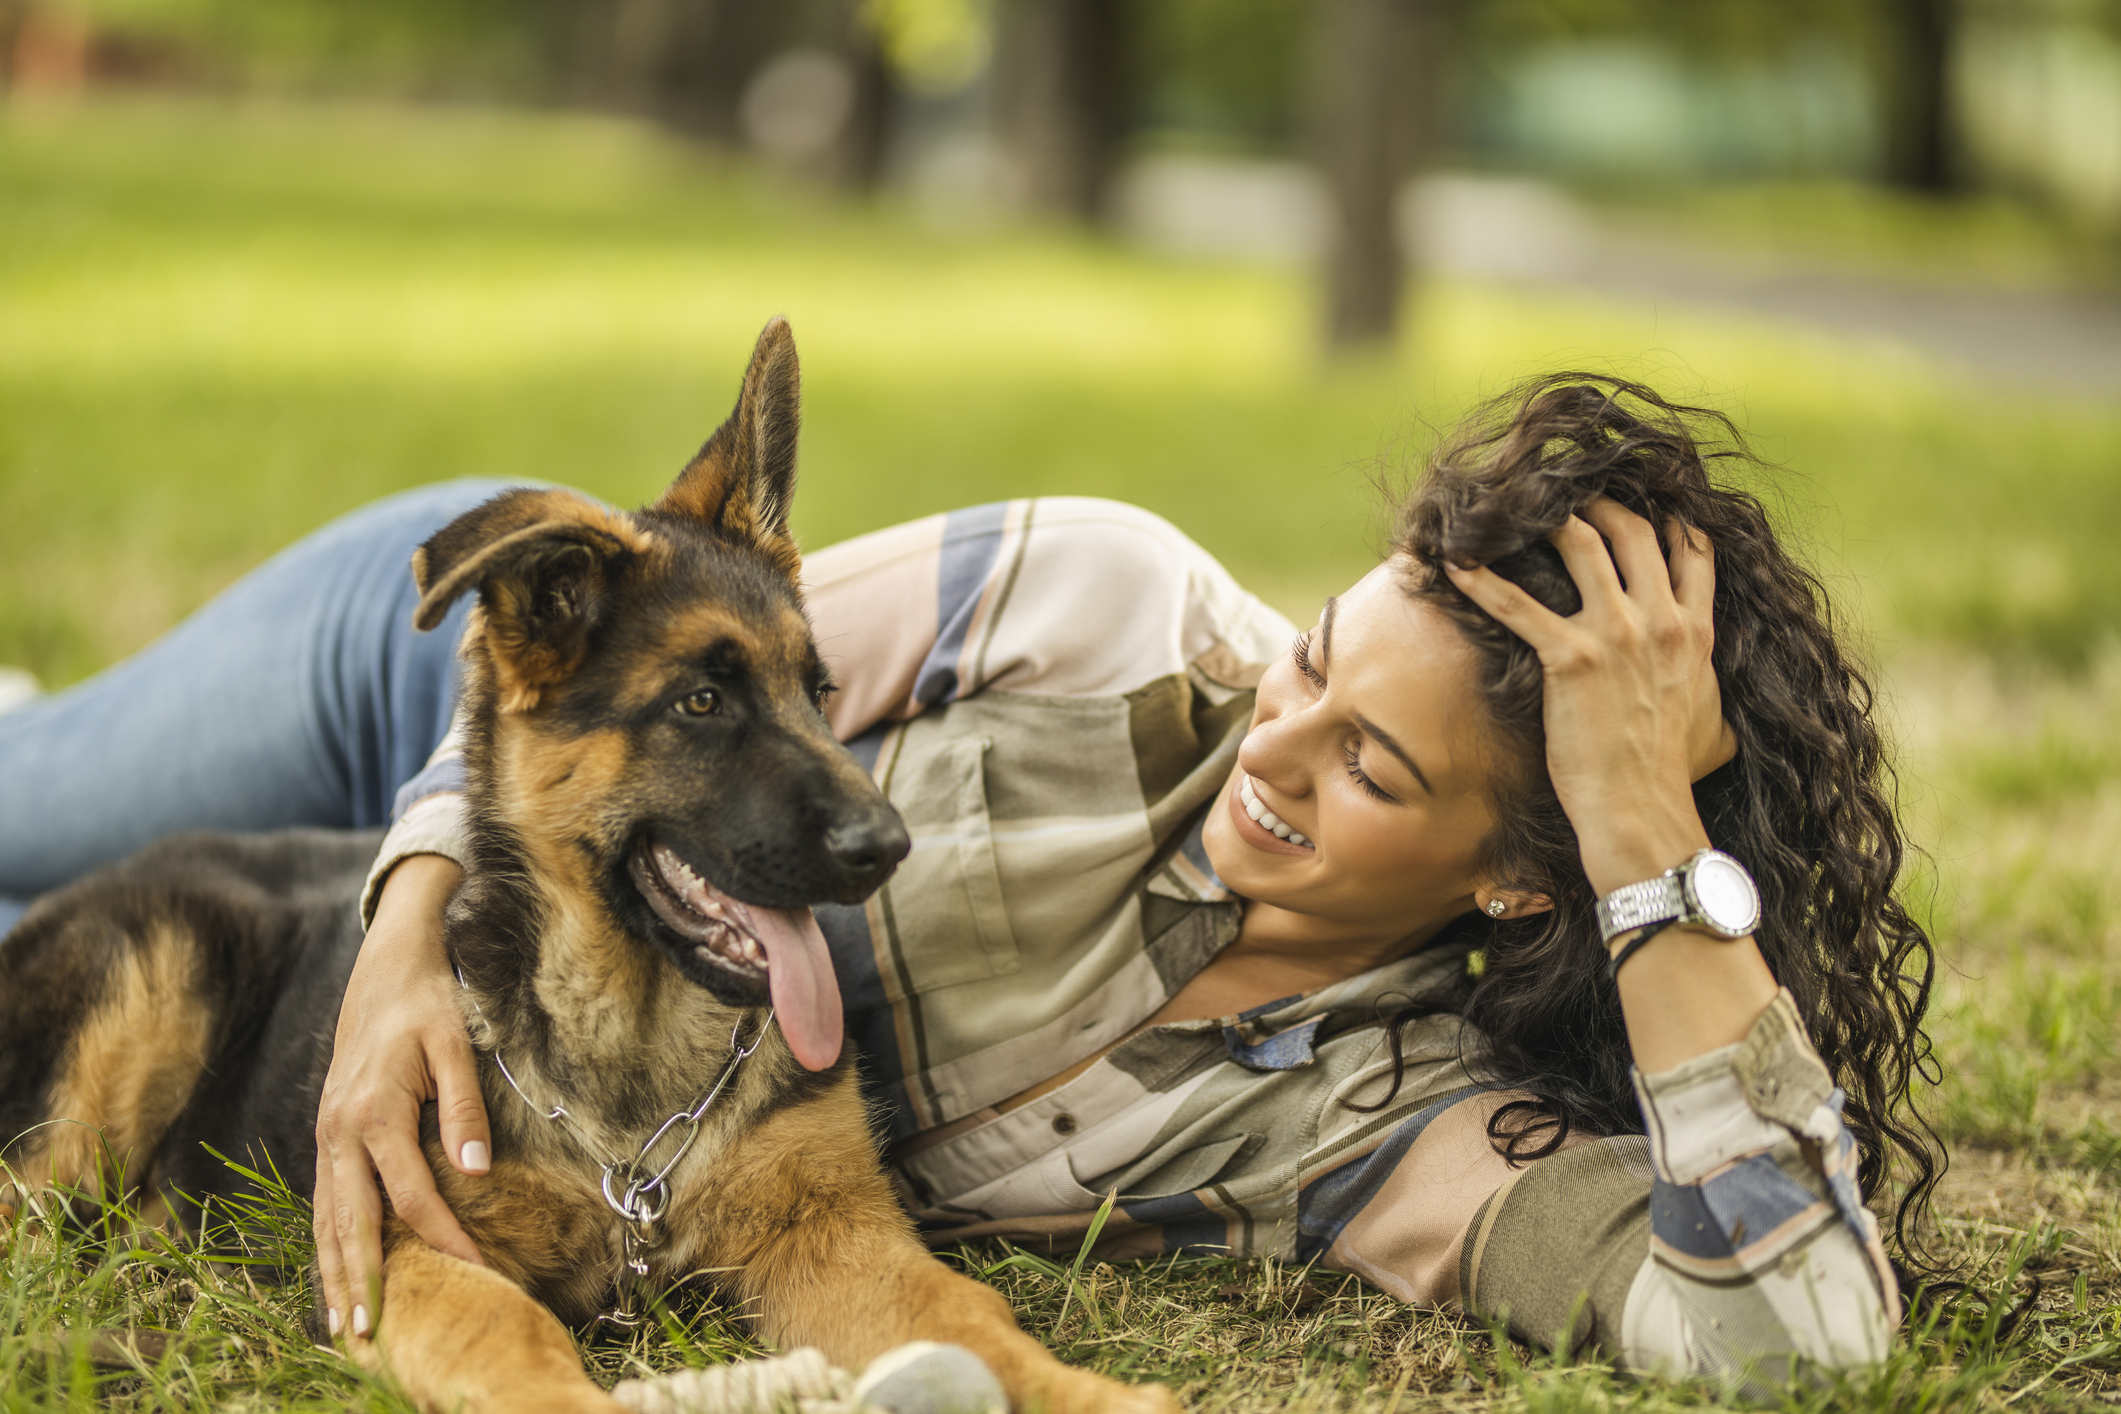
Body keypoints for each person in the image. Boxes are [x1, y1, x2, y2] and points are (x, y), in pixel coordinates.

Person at [0, 374, 1937, 1392]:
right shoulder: (1096, 593)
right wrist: (406, 941)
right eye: (1311, 661)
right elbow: (630, 647)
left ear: (1522, 878)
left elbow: (1795, 1338)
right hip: (450, 687)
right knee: (35, 809)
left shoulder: (1394, 1125)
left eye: (1369, 765)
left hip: (659, 916)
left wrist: (1644, 843)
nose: (1270, 745)